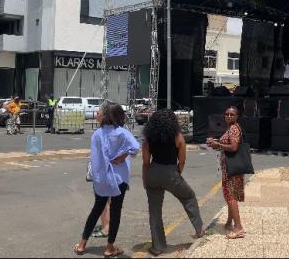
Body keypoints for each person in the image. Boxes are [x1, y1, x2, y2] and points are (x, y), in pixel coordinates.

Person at [74, 103, 139, 257]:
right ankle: (109, 248)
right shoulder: (122, 133)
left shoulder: (97, 134)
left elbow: (95, 158)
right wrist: (123, 156)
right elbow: (136, 146)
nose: (97, 113)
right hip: (119, 177)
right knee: (116, 212)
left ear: (106, 116)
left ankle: (82, 244)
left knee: (96, 209)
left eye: (100, 112)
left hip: (102, 178)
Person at [143, 110, 204, 256]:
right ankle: (199, 230)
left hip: (153, 172)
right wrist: (176, 174)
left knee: (155, 212)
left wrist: (145, 180)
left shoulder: (148, 139)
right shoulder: (178, 137)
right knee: (188, 196)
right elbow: (182, 161)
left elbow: (146, 163)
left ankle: (158, 247)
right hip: (171, 173)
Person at [206, 106, 245, 240]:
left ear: (236, 116)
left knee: (230, 196)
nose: (228, 116)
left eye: (231, 114)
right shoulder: (232, 128)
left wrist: (218, 145)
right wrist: (216, 143)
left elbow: (233, 147)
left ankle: (238, 227)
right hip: (229, 168)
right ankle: (229, 222)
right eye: (226, 114)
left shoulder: (233, 128)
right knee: (231, 195)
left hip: (231, 169)